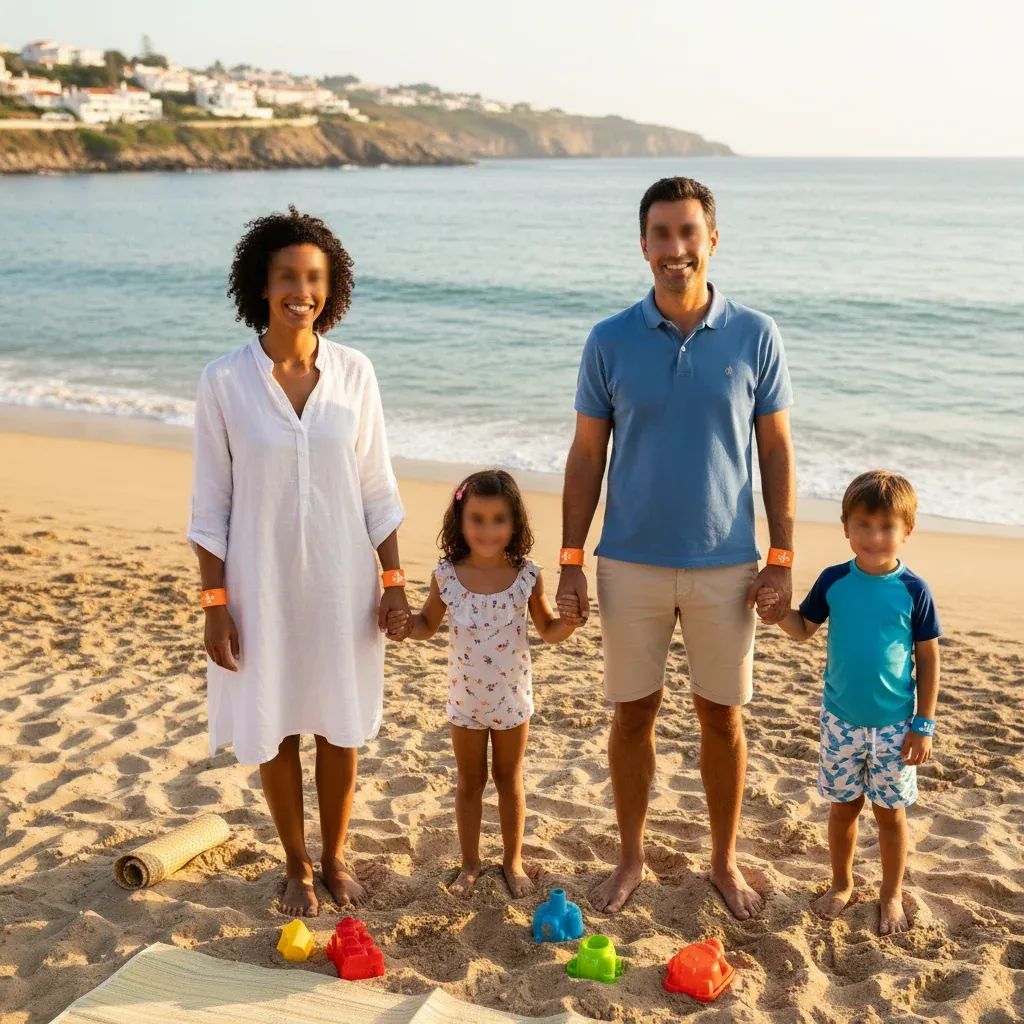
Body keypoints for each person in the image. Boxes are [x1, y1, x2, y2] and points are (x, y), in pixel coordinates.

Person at [556, 176, 795, 919]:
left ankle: (723, 861)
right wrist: (570, 562)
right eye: (661, 234)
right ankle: (630, 857)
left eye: (688, 233)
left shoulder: (756, 335)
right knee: (633, 717)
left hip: (728, 565)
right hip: (629, 561)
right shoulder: (610, 339)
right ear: (643, 245)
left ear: (712, 240)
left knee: (723, 719)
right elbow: (586, 455)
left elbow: (777, 451)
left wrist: (781, 556)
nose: (675, 249)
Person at [188, 206, 409, 917]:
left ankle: (337, 854)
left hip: (346, 581)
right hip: (262, 581)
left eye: (314, 278)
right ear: (261, 284)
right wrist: (215, 604)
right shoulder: (224, 381)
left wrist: (394, 582)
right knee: (277, 718)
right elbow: (208, 505)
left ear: (330, 288)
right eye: (287, 276)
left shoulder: (356, 373)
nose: (301, 291)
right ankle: (295, 864)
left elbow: (378, 487)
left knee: (339, 721)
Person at [756, 470, 940, 935]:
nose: (874, 537)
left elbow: (928, 658)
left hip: (897, 727)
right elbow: (802, 629)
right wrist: (778, 613)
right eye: (863, 525)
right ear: (845, 527)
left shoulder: (914, 590)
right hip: (841, 723)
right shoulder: (835, 580)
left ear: (906, 531)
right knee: (843, 808)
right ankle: (841, 883)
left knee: (891, 816)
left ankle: (891, 894)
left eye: (886, 527)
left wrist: (924, 723)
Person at [389, 470, 577, 897]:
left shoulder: (528, 575)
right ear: (460, 520)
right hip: (465, 699)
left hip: (511, 700)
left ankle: (513, 862)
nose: (488, 529)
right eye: (478, 518)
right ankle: (470, 864)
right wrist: (404, 627)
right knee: (469, 782)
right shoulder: (447, 576)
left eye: (498, 519)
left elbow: (547, 629)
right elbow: (426, 624)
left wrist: (570, 623)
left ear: (515, 524)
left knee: (509, 779)